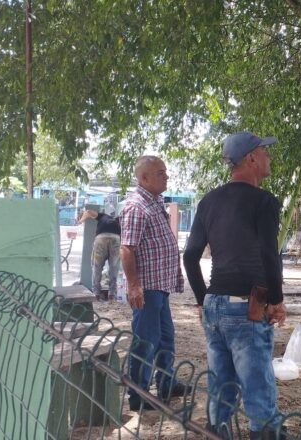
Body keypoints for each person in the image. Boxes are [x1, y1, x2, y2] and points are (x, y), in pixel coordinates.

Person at [183, 131, 287, 440]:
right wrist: (275, 300)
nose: (269, 158)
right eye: (265, 152)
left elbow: (189, 257)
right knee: (258, 391)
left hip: (215, 305)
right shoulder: (264, 202)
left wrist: (203, 300)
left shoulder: (209, 201)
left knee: (221, 387)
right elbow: (269, 254)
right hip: (246, 306)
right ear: (252, 158)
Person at [119, 155, 189, 411]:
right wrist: (134, 285)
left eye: (165, 172)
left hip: (159, 285)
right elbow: (127, 248)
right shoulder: (136, 206)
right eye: (160, 173)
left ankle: (166, 383)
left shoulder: (154, 201)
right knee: (146, 340)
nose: (166, 176)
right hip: (146, 288)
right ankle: (139, 396)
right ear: (144, 178)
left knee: (165, 338)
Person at [77, 209, 121, 300]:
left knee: (96, 266)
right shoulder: (119, 220)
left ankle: (96, 293)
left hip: (101, 238)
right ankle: (112, 294)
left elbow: (88, 212)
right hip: (116, 238)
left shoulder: (102, 216)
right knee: (114, 267)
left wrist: (80, 220)